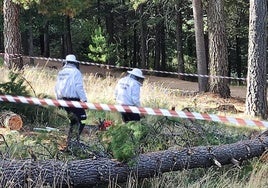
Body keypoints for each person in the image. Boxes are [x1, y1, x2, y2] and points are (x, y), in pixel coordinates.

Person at [55, 54, 87, 145]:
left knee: (73, 120)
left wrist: (58, 99)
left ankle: (70, 141)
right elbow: (78, 87)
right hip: (73, 100)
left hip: (63, 100)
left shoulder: (61, 72)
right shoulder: (75, 72)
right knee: (82, 118)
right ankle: (73, 141)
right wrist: (84, 99)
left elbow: (57, 87)